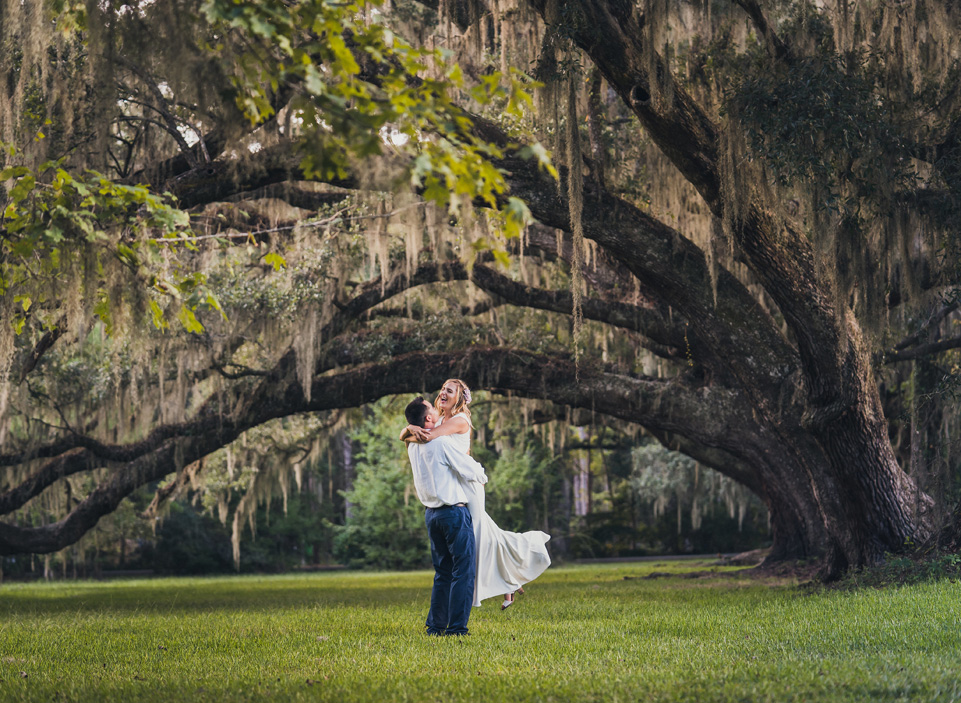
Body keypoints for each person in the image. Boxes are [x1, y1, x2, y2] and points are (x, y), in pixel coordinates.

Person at [403, 379, 551, 610]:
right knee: (486, 535)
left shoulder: (460, 420)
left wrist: (408, 430)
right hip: (455, 483)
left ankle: (512, 573)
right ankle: (510, 580)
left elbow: (427, 437)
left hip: (469, 485)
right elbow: (423, 433)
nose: (443, 393)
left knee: (478, 538)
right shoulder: (440, 418)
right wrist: (408, 429)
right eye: (442, 389)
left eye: (449, 391)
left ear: (459, 398)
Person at [403, 395, 489, 636]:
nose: (437, 410)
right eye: (432, 408)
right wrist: (482, 478)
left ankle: (435, 626)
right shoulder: (441, 443)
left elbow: (407, 435)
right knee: (463, 570)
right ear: (429, 418)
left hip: (431, 516)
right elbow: (469, 468)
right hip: (454, 513)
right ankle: (457, 628)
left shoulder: (412, 445)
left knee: (443, 572)